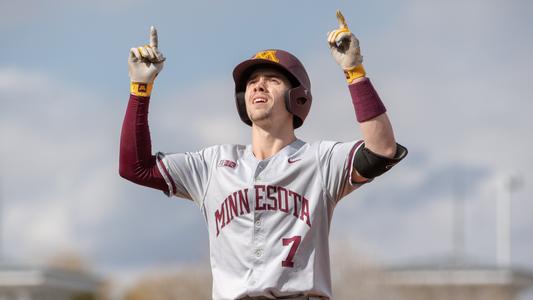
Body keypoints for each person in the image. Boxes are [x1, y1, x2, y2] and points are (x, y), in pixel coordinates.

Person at [119, 11, 407, 300]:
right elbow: (135, 167)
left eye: (272, 79)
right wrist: (140, 89)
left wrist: (354, 71)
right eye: (252, 81)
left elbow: (381, 150)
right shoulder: (212, 164)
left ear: (298, 97)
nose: (258, 85)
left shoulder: (319, 160)